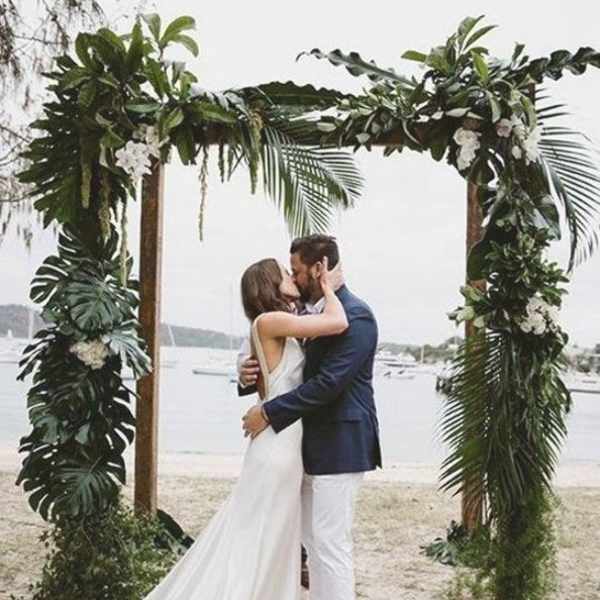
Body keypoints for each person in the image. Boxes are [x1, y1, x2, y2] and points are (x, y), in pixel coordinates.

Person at [142, 255, 347, 600]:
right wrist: (328, 287)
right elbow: (338, 321)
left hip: (282, 442)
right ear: (270, 283)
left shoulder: (277, 324)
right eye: (284, 273)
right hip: (278, 446)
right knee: (257, 536)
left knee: (270, 535)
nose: (291, 276)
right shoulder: (270, 322)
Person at [242, 234, 382, 600]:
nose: (293, 277)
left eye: (297, 270)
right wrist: (246, 375)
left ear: (319, 268)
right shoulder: (300, 314)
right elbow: (278, 363)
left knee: (331, 544)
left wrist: (269, 412)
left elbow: (328, 383)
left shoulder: (356, 315)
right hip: (303, 447)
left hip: (340, 444)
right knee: (312, 543)